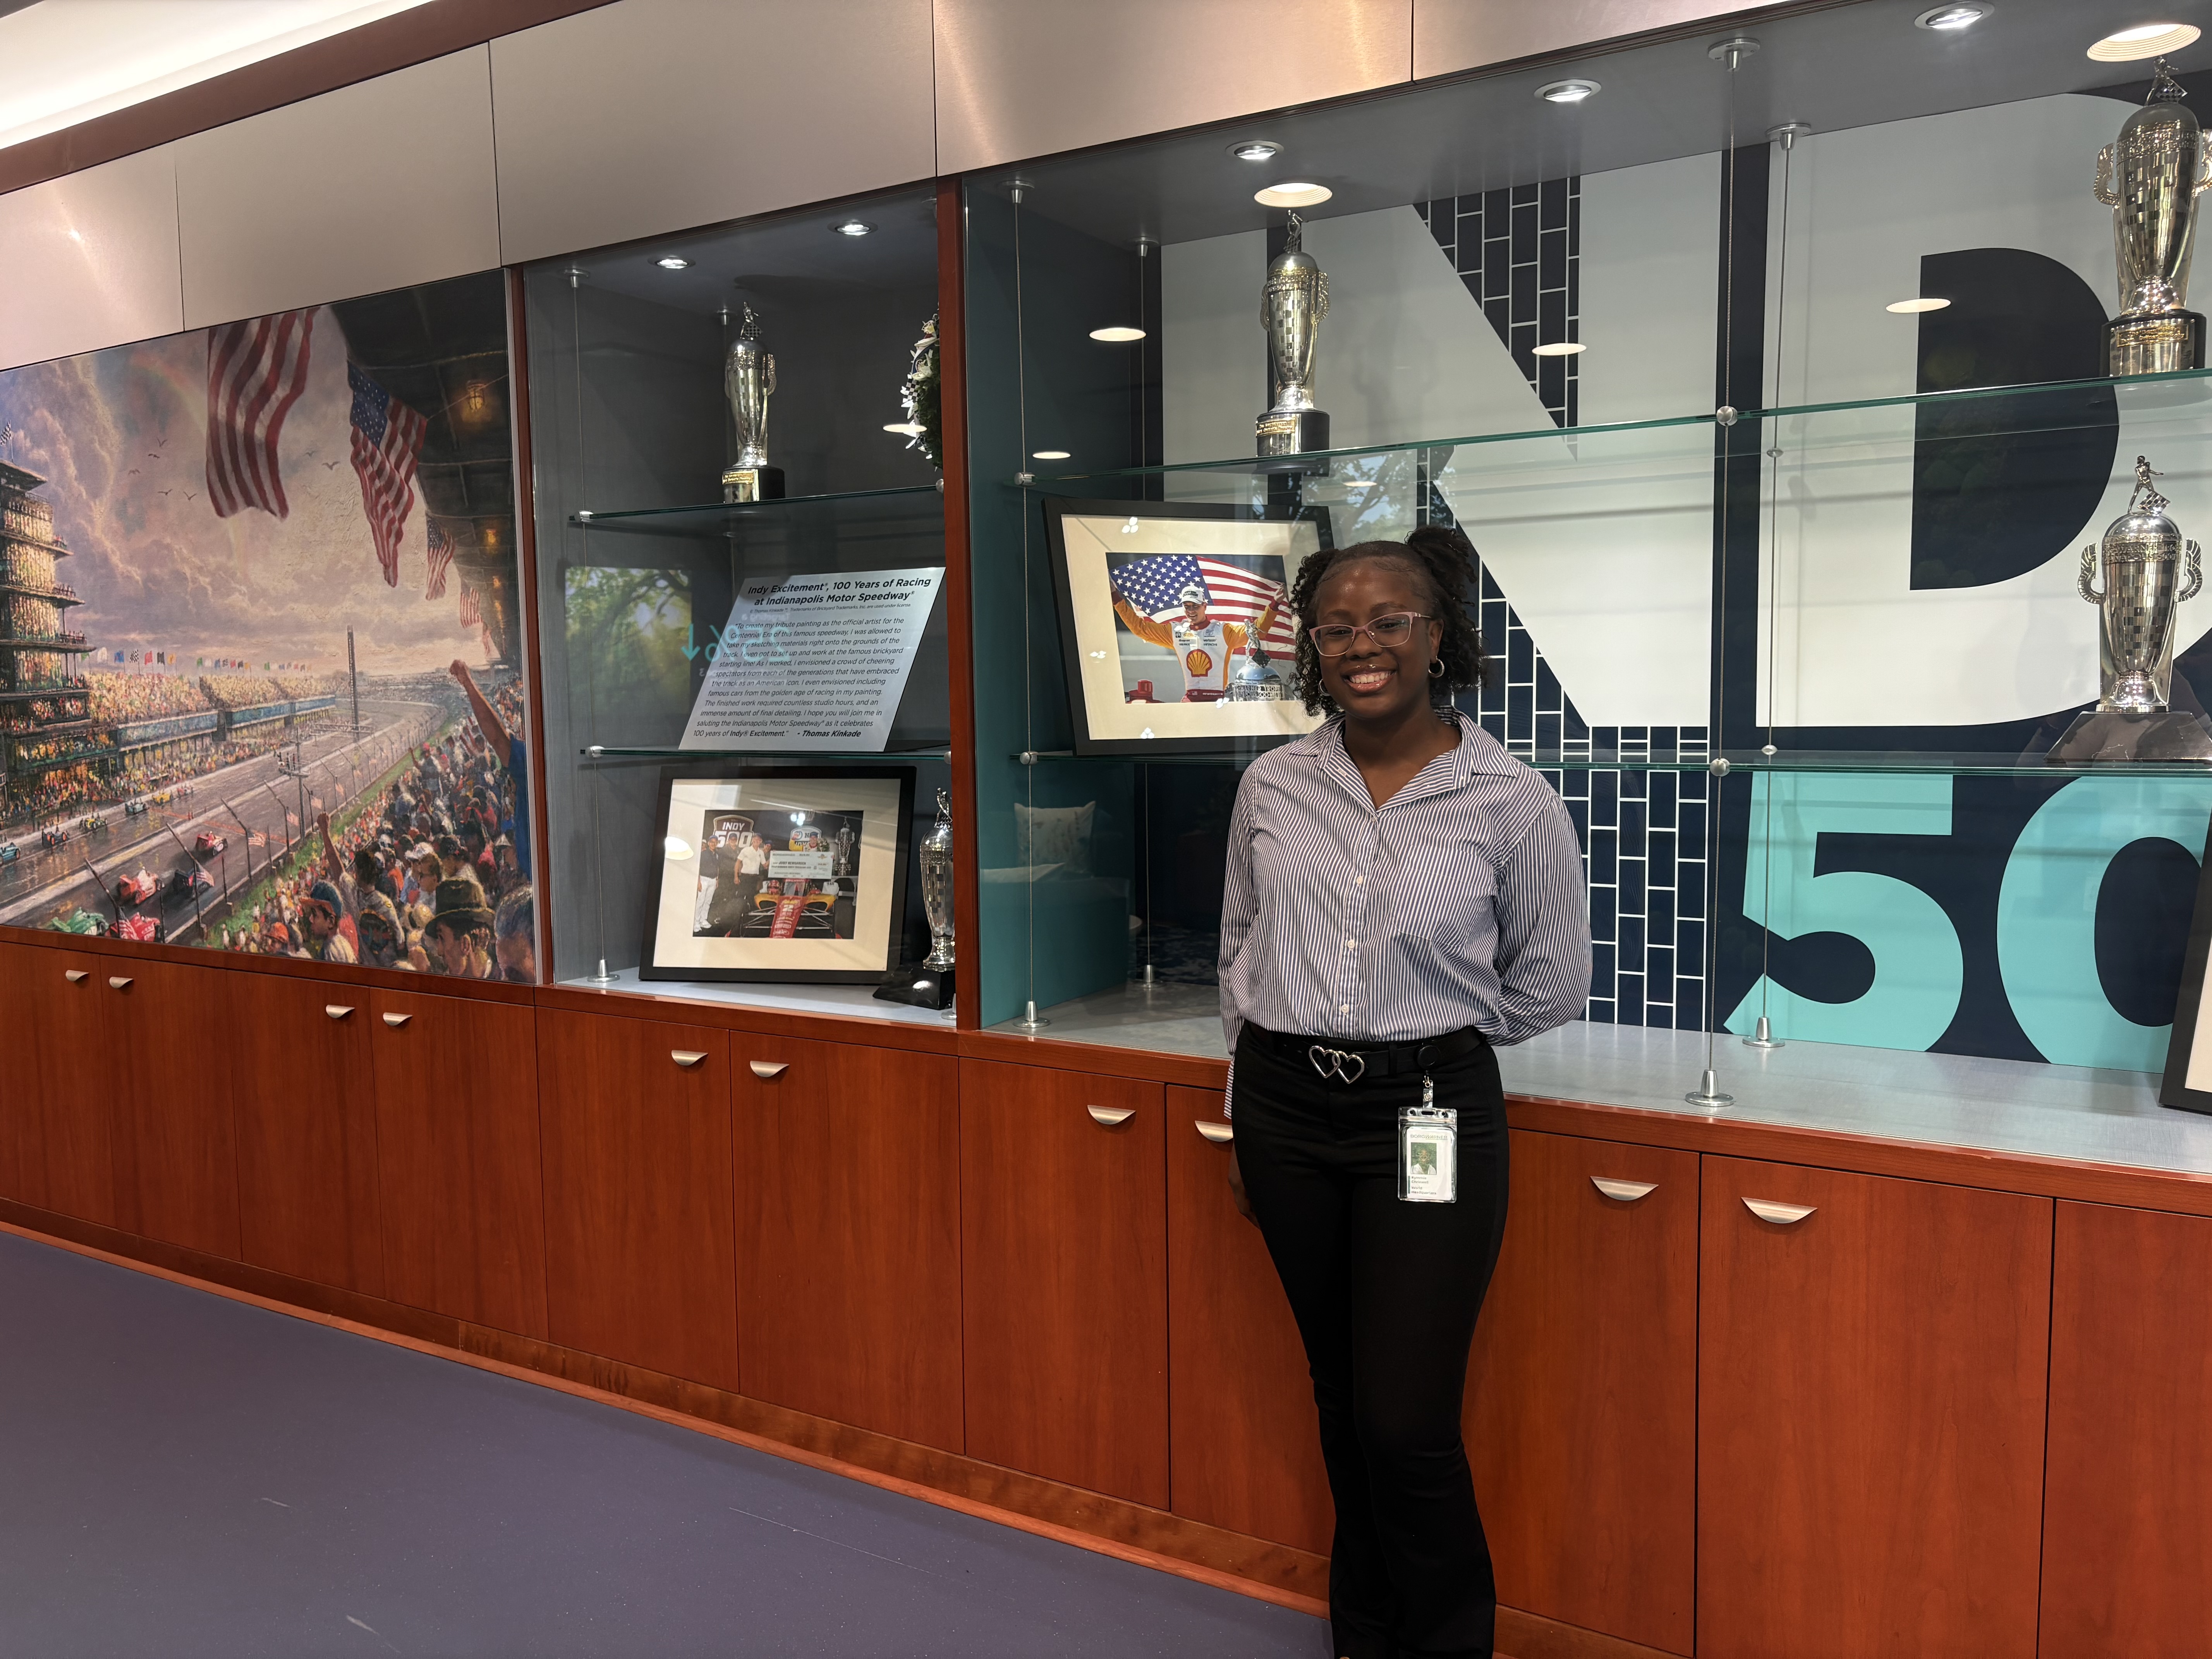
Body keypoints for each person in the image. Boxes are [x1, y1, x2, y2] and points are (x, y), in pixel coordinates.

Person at [1218, 525, 1589, 1659]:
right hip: (1282, 1106)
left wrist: (1430, 1041)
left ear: (1439, 641)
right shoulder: (1271, 785)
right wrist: (1251, 1091)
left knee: (1404, 1418)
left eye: (1387, 621)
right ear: (1310, 651)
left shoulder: (1507, 798)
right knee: (1339, 1397)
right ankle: (1363, 1636)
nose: (1358, 645)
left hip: (1425, 1116)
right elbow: (1241, 942)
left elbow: (1554, 977)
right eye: (1334, 628)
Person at [1111, 579, 1282, 702]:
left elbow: (1257, 631)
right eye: (1187, 606)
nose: (1191, 611)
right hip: (1190, 699)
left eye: (1195, 606)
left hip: (1218, 700)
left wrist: (1274, 605)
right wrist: (1116, 598)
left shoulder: (1224, 631)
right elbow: (1141, 630)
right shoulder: (1176, 631)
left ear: (1205, 606)